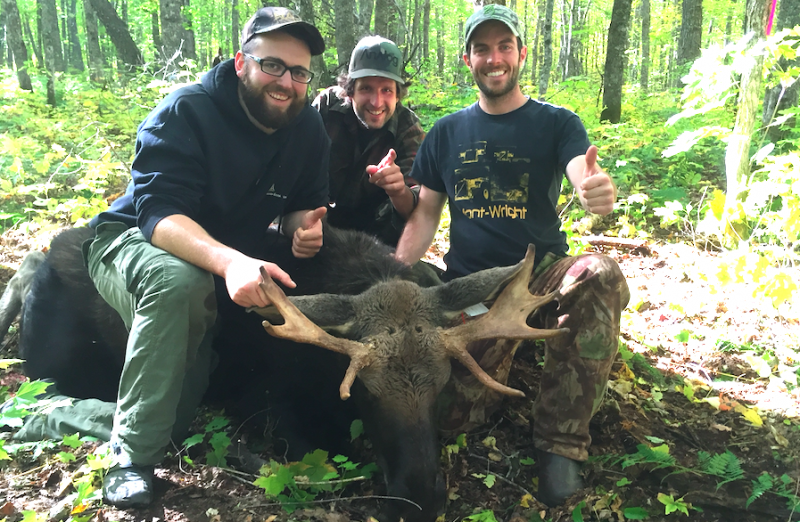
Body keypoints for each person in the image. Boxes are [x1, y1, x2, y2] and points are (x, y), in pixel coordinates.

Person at [13, 7, 330, 508]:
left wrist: (302, 232)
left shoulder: (306, 127)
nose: (286, 82)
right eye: (272, 65)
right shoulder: (188, 110)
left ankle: (49, 417)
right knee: (178, 281)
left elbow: (297, 209)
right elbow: (159, 216)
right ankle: (130, 461)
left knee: (173, 419)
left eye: (298, 72)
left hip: (214, 258)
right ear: (240, 62)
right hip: (133, 241)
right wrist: (230, 263)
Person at [394, 4, 630, 507]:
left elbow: (580, 172)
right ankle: (498, 373)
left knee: (599, 272)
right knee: (453, 414)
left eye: (505, 47)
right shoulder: (445, 133)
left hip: (541, 276)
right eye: (483, 49)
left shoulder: (557, 123)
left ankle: (560, 444)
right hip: (472, 288)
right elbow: (425, 216)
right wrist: (394, 276)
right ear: (468, 59)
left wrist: (593, 190)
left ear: (521, 54)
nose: (494, 58)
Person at [312, 36, 425, 246]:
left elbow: (417, 211)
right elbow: (296, 172)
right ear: (350, 90)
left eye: (386, 90)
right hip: (319, 227)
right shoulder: (326, 109)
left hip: (378, 242)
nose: (376, 102)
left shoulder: (408, 129)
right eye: (366, 88)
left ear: (398, 95)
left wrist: (399, 191)